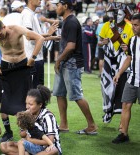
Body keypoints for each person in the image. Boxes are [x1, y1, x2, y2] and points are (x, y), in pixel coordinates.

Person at [0, 19, 46, 142]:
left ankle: (29, 130)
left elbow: (40, 38)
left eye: (0, 34)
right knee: (2, 100)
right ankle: (8, 132)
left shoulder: (17, 29)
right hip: (5, 67)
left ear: (4, 27)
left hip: (23, 65)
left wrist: (33, 58)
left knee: (27, 100)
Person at [53, 0, 98, 134]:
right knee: (59, 94)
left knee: (77, 95)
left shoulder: (71, 22)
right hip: (65, 62)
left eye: (58, 5)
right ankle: (64, 125)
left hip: (72, 64)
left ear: (65, 6)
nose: (56, 7)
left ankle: (92, 126)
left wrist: (58, 60)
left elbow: (71, 46)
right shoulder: (67, 21)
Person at [0, 85, 62, 155]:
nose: (27, 107)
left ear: (40, 104)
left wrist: (30, 140)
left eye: (30, 104)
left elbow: (50, 141)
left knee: (53, 150)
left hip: (47, 148)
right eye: (26, 103)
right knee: (4, 146)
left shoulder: (47, 116)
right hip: (33, 146)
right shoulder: (27, 115)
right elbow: (22, 135)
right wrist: (24, 123)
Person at [99, 3, 134, 123]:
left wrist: (127, 48)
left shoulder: (130, 27)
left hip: (123, 61)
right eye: (115, 13)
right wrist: (103, 43)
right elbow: (100, 42)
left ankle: (119, 117)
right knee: (106, 86)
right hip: (109, 59)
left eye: (119, 14)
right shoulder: (107, 25)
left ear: (125, 15)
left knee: (121, 87)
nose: (116, 16)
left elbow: (133, 46)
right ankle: (108, 110)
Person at [112, 13, 140, 144]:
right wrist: (119, 73)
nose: (133, 27)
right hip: (132, 79)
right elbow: (129, 58)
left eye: (136, 25)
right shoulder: (132, 40)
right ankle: (123, 134)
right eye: (133, 25)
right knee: (125, 104)